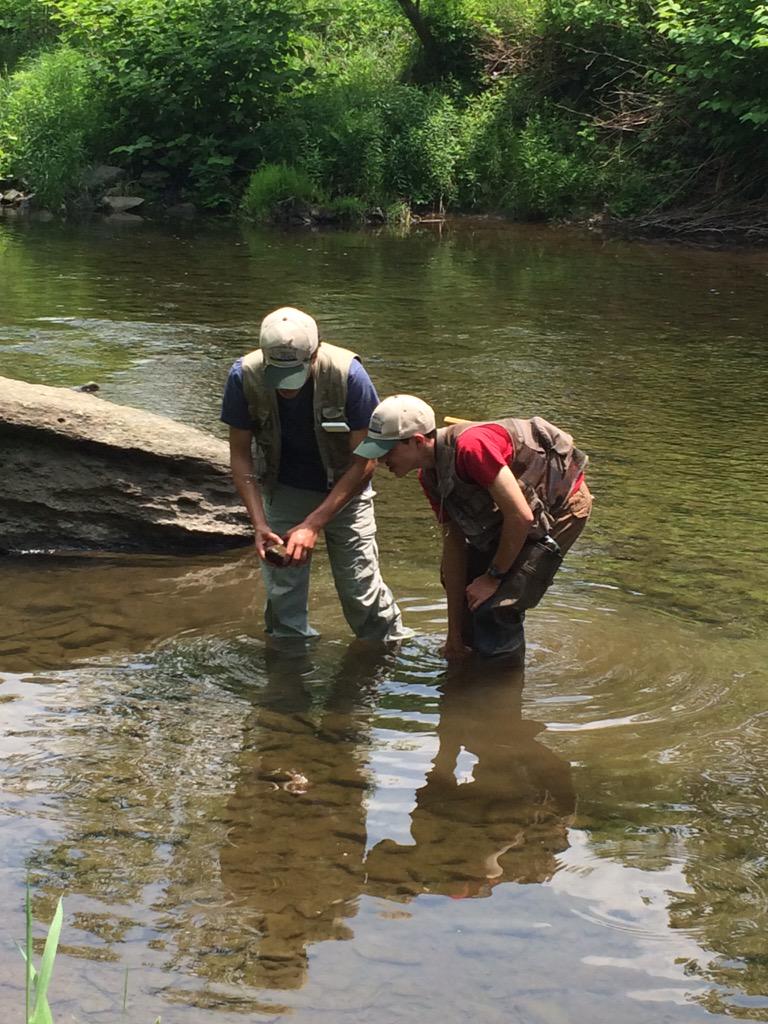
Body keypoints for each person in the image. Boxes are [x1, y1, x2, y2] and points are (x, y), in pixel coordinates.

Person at [354, 395, 592, 661]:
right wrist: (453, 636)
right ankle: (468, 663)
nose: (382, 460)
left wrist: (493, 578)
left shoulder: (471, 448)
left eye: (387, 451)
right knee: (465, 587)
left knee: (497, 605)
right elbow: (454, 547)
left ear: (417, 441)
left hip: (563, 505)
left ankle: (496, 685)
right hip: (516, 513)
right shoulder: (429, 476)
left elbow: (521, 517)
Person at [220, 306, 406, 642]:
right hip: (284, 487)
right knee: (283, 597)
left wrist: (313, 523)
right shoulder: (243, 376)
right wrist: (259, 522)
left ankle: (388, 650)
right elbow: (240, 457)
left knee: (360, 591)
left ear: (315, 353)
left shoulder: (348, 375)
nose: (286, 387)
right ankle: (289, 676)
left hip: (347, 490)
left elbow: (366, 460)